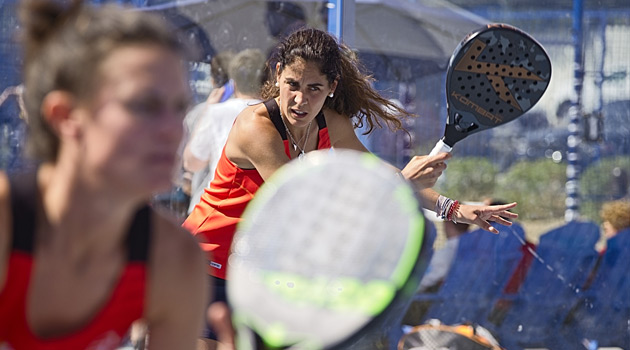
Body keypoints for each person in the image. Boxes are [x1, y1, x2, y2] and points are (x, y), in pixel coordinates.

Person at [182, 27, 517, 341]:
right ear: (278, 75)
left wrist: (456, 209)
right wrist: (401, 183)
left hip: (259, 269)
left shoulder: (332, 124)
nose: (300, 99)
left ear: (332, 87)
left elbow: (377, 176)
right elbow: (298, 204)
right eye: (292, 84)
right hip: (204, 261)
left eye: (314, 88)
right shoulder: (255, 128)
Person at [0, 1, 233, 349]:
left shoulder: (174, 259)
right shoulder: (6, 222)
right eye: (144, 105)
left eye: (178, 108)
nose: (173, 129)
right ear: (66, 116)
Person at [183, 49, 265, 215]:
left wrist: (208, 109)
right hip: (258, 213)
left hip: (220, 209)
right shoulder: (273, 114)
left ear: (233, 84)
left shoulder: (217, 112)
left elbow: (192, 162)